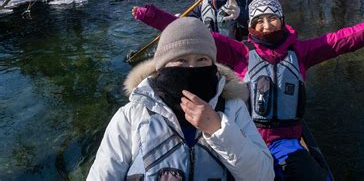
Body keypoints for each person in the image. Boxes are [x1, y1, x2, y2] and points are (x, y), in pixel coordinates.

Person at [132, 0, 364, 180]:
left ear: (281, 20)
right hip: (246, 137)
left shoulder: (303, 52)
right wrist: (152, 15)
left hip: (288, 141)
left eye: (272, 18)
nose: (266, 25)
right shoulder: (239, 52)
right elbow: (192, 34)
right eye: (259, 20)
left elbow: (348, 38)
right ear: (251, 26)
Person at [87, 17, 274, 181]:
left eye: (201, 60)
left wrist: (218, 129)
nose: (191, 69)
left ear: (212, 65)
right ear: (162, 66)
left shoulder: (233, 108)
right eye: (181, 60)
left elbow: (264, 176)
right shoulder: (131, 115)